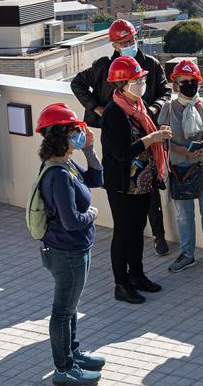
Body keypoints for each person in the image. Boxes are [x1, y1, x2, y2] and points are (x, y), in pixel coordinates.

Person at [71, 19, 171, 256]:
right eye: (124, 42)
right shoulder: (104, 67)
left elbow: (165, 91)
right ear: (114, 45)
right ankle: (126, 235)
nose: (130, 45)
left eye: (132, 40)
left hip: (147, 131)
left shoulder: (151, 64)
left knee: (149, 187)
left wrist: (153, 109)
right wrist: (98, 109)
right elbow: (78, 84)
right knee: (121, 181)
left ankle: (158, 235)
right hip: (117, 134)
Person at [33, 103, 107, 386]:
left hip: (74, 249)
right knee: (63, 310)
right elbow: (72, 221)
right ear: (63, 135)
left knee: (71, 307)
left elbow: (95, 179)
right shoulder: (59, 174)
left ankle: (73, 354)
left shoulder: (64, 163)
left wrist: (89, 149)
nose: (80, 132)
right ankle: (63, 368)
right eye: (76, 130)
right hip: (66, 252)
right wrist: (93, 214)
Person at [100, 55, 172, 304]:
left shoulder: (138, 108)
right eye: (137, 79)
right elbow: (121, 152)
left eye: (142, 78)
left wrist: (157, 135)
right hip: (122, 185)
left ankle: (137, 275)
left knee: (138, 230)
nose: (142, 82)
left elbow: (144, 139)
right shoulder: (114, 113)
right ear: (122, 85)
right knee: (123, 233)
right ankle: (121, 284)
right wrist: (150, 140)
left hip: (142, 182)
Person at [159, 59, 203, 273]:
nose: (189, 85)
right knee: (183, 215)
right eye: (184, 81)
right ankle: (187, 253)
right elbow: (161, 139)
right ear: (175, 85)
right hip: (180, 170)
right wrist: (182, 151)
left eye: (193, 81)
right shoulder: (168, 110)